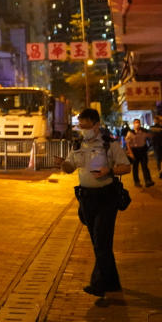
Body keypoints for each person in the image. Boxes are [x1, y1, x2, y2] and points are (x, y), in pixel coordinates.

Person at [57, 109, 131, 298]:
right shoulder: (77, 145)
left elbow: (126, 167)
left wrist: (109, 171)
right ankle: (112, 282)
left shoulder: (110, 145)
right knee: (99, 242)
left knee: (100, 240)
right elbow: (69, 168)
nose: (83, 129)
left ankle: (98, 284)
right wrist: (62, 164)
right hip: (87, 199)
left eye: (86, 126)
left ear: (97, 125)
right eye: (80, 126)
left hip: (107, 197)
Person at [124, 119, 155, 188]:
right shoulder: (130, 133)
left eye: (138, 123)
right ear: (133, 124)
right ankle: (137, 182)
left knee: (145, 166)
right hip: (134, 151)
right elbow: (128, 144)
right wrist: (130, 153)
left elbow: (150, 136)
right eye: (135, 123)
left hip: (143, 150)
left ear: (140, 124)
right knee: (135, 167)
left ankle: (148, 181)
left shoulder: (144, 132)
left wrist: (150, 144)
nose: (137, 124)